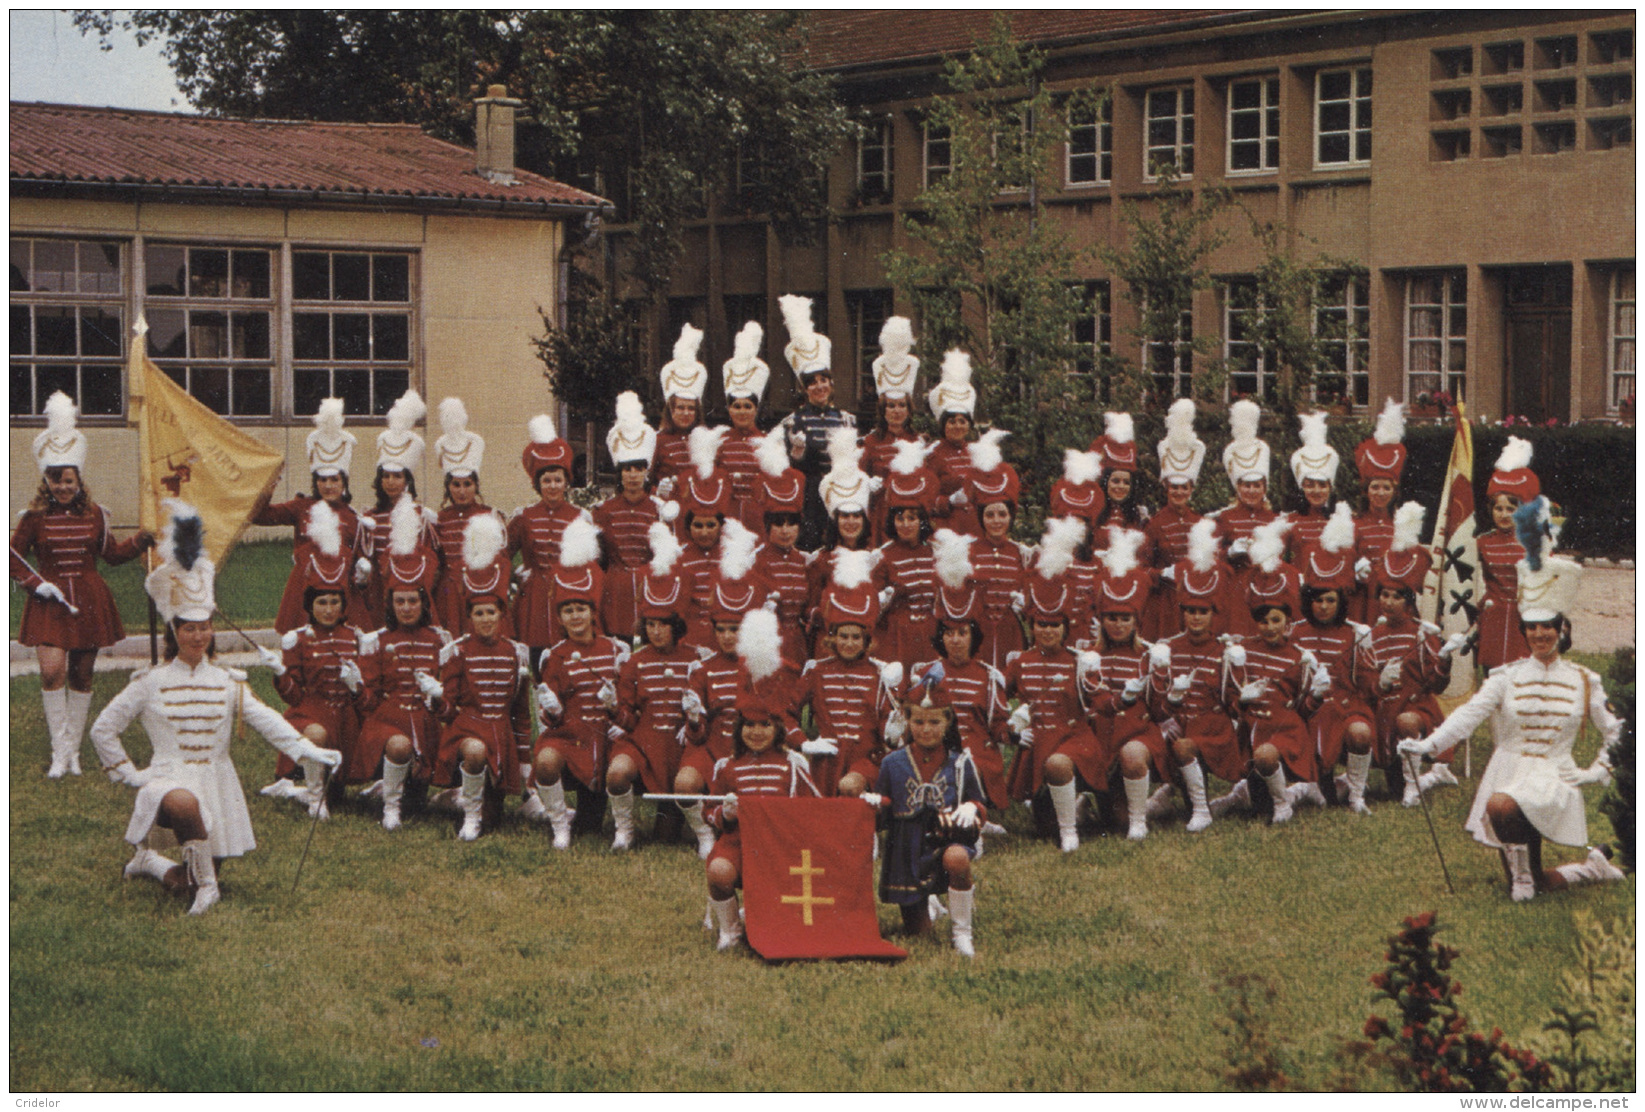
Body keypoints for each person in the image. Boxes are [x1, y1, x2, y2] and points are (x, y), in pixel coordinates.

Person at [90, 501, 341, 915]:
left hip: (217, 780)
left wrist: (309, 751)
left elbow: (267, 722)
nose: (198, 636)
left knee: (180, 882)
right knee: (186, 809)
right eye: (189, 628)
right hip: (169, 778)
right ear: (175, 631)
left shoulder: (227, 682)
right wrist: (129, 774)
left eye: (204, 627)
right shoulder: (151, 681)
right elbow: (103, 728)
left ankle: (151, 862)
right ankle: (209, 889)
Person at [1399, 498, 1627, 902]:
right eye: (1532, 629)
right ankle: (1581, 869)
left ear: (1562, 630)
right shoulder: (1508, 677)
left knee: (1503, 807)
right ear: (1524, 631)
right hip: (1508, 767)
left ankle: (1528, 879)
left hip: (1554, 773)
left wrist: (1597, 772)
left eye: (1548, 629)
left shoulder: (1584, 679)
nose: (1540, 636)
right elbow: (1470, 714)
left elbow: (1619, 733)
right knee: (1526, 858)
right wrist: (1427, 746)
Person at [12, 391, 154, 777]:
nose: (63, 487)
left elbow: (110, 554)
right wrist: (34, 583)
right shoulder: (34, 516)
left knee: (82, 674)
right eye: (56, 480)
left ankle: (73, 753)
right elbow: (12, 556)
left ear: (79, 479)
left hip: (89, 598)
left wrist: (140, 541)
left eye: (69, 480)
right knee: (51, 671)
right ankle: (60, 751)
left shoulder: (95, 514)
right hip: (49, 600)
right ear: (47, 480)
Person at [866, 682, 986, 958]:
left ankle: (962, 932)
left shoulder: (961, 762)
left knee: (957, 859)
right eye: (918, 721)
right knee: (919, 933)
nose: (926, 729)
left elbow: (979, 803)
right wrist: (873, 806)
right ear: (907, 721)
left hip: (945, 838)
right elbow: (884, 808)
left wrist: (971, 807)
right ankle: (928, 905)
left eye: (934, 721)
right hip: (906, 849)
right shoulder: (892, 763)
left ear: (948, 722)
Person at [1364, 502, 1467, 806]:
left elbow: (1436, 685)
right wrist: (1379, 683)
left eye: (1397, 596)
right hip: (1383, 714)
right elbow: (1365, 682)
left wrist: (1445, 660)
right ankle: (1429, 774)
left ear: (1409, 601)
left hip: (1414, 711)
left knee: (1407, 723)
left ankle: (1417, 783)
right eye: (1384, 595)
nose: (1389, 602)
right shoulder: (1371, 634)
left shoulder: (1421, 632)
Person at [258, 531, 365, 821]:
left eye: (334, 602)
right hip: (312, 711)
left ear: (343, 605)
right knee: (316, 735)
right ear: (310, 606)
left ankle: (292, 788)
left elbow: (369, 691)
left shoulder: (356, 638)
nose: (328, 610)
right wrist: (280, 672)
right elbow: (293, 696)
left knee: (342, 792)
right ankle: (315, 799)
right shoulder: (298, 639)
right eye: (321, 603)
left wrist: (357, 686)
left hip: (346, 720)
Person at [702, 693, 821, 951]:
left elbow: (812, 809)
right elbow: (708, 810)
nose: (756, 732)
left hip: (780, 846)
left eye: (765, 725)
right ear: (738, 728)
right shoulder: (728, 767)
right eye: (749, 725)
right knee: (719, 871)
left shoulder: (792, 764)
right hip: (738, 843)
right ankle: (730, 929)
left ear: (779, 728)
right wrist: (726, 813)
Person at [532, 546, 632, 850]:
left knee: (595, 817)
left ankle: (622, 829)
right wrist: (552, 708)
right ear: (560, 619)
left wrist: (618, 712)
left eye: (581, 609)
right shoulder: (555, 656)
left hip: (608, 737)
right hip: (572, 736)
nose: (575, 616)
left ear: (592, 613)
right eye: (568, 611)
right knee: (546, 761)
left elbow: (631, 701)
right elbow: (551, 717)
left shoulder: (616, 650)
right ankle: (560, 825)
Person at [914, 529, 1012, 815]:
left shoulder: (987, 675)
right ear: (940, 638)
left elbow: (998, 726)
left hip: (978, 752)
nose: (955, 640)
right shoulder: (927, 672)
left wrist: (1013, 731)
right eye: (949, 634)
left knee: (967, 766)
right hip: (936, 747)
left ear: (973, 636)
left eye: (962, 633)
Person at [1083, 529, 1172, 841]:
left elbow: (1160, 711)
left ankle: (1139, 820)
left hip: (1136, 733)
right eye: (1111, 617)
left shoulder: (1148, 653)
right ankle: (1093, 801)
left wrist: (1165, 685)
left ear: (1136, 620)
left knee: (1133, 757)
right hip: (1099, 736)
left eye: (1125, 618)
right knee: (1110, 819)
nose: (1118, 624)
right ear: (1102, 620)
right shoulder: (1089, 655)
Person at [254, 396, 370, 631]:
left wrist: (363, 572)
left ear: (344, 482)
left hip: (339, 592)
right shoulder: (301, 508)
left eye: (334, 480)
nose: (328, 486)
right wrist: (269, 484)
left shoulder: (353, 518)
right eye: (322, 480)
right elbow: (260, 516)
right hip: (304, 589)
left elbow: (360, 564)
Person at [1290, 503, 1378, 813]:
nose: (1323, 607)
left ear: (1340, 602)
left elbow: (1368, 687)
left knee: (1360, 732)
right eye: (1317, 601)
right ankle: (1313, 781)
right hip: (1307, 707)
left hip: (1344, 706)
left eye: (1330, 600)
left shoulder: (1356, 633)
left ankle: (1355, 792)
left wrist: (1381, 676)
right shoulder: (1295, 632)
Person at [426, 591, 532, 841]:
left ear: (501, 615)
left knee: (494, 817)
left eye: (491, 613)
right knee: (475, 751)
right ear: (470, 618)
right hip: (467, 730)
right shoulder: (459, 651)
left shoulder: (515, 652)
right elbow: (449, 711)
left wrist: (524, 758)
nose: (486, 619)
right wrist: (437, 698)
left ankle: (456, 798)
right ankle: (470, 817)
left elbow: (520, 712)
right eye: (479, 613)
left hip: (501, 737)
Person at [607, 576, 701, 852]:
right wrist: (614, 709)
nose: (657, 631)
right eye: (650, 625)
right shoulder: (636, 661)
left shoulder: (695, 657)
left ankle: (701, 829)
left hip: (681, 746)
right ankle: (624, 830)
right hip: (644, 744)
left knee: (666, 835)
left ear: (676, 626)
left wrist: (693, 720)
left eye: (663, 625)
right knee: (617, 773)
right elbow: (628, 715)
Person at [353, 570, 451, 832]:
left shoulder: (439, 640)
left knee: (419, 804)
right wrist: (356, 687)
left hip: (426, 723)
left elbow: (451, 691)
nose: (406, 608)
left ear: (424, 603)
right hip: (388, 720)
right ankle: (390, 808)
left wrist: (438, 693)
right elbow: (369, 700)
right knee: (398, 746)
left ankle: (401, 789)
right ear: (390, 605)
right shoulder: (377, 640)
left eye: (413, 601)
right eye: (400, 602)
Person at [799, 553, 901, 799]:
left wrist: (893, 731)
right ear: (832, 638)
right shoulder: (817, 670)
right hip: (827, 757)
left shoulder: (879, 672)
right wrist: (803, 742)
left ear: (866, 641)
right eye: (843, 636)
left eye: (856, 637)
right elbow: (787, 708)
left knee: (849, 788)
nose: (849, 643)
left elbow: (890, 724)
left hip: (866, 759)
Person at [776, 295, 855, 550]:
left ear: (831, 383)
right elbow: (787, 466)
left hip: (839, 490)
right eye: (812, 382)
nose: (819, 386)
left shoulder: (846, 419)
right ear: (805, 388)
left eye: (824, 380)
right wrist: (796, 454)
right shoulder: (792, 421)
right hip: (808, 494)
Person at [509, 412, 587, 655]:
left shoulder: (579, 516)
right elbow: (504, 554)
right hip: (534, 594)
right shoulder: (524, 516)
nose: (552, 486)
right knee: (535, 653)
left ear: (566, 483)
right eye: (547, 481)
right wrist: (515, 578)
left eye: (557, 480)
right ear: (538, 484)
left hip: (568, 590)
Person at [358, 389, 439, 623]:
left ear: (407, 480)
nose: (391, 482)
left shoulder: (422, 517)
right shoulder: (370, 516)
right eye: (386, 476)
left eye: (397, 476)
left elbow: (432, 560)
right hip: (377, 591)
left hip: (409, 593)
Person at [595, 391, 669, 644]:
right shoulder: (605, 511)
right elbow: (600, 556)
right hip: (616, 587)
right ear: (620, 473)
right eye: (627, 469)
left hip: (649, 585)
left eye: (639, 468)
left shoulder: (657, 509)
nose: (633, 475)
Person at [431, 396, 507, 635]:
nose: (462, 491)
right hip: (448, 591)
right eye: (455, 484)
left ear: (476, 485)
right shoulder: (440, 519)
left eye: (467, 484)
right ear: (448, 487)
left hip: (482, 589)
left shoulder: (490, 515)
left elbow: (501, 559)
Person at [1210, 398, 1277, 639]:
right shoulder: (1224, 518)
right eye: (1246, 485)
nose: (1251, 491)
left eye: (1256, 485)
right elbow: (1214, 556)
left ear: (1264, 487)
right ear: (1237, 488)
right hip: (1235, 590)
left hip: (1267, 588)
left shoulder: (1274, 518)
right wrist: (1229, 552)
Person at [874, 440, 941, 674]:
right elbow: (874, 606)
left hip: (930, 633)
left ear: (921, 521)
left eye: (912, 518)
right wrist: (885, 599)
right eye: (900, 518)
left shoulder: (934, 552)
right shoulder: (883, 555)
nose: (905, 524)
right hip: (897, 636)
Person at [965, 429, 1028, 674]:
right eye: (990, 515)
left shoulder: (1020, 553)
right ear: (981, 518)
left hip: (1009, 630)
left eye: (1002, 514)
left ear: (1010, 517)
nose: (996, 520)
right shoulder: (969, 550)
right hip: (979, 629)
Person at [1142, 398, 1206, 640]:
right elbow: (1143, 568)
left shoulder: (1200, 522)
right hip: (1165, 603)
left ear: (1191, 490)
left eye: (1184, 488)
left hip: (1196, 598)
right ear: (1166, 488)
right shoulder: (1155, 524)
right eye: (1174, 488)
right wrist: (1161, 574)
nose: (1179, 492)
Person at [1475, 437, 1539, 672]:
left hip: (1523, 619)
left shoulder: (1533, 543)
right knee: (1492, 674)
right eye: (1498, 508)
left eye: (1511, 509)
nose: (1503, 514)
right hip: (1493, 617)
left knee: (1521, 673)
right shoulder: (1482, 543)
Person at [748, 429, 811, 666]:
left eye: (791, 524)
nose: (785, 531)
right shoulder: (757, 560)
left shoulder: (803, 560)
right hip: (768, 641)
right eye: (778, 524)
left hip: (797, 641)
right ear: (767, 526)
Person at [861, 316, 924, 542]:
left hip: (910, 518)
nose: (896, 411)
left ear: (908, 409)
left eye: (901, 406)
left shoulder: (918, 441)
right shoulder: (871, 442)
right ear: (882, 409)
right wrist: (866, 484)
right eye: (890, 406)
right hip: (880, 517)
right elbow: (857, 477)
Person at [1351, 399, 1407, 624]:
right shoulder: (1356, 524)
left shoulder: (1402, 523)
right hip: (1364, 600)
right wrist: (1355, 570)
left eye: (1387, 487)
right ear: (1366, 491)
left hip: (1395, 601)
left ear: (1395, 491)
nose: (1381, 493)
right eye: (1375, 487)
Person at [718, 321, 775, 535]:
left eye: (747, 406)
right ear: (729, 409)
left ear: (756, 409)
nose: (742, 412)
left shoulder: (766, 442)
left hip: (756, 518)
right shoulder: (719, 441)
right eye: (737, 406)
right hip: (726, 516)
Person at [926, 350, 982, 538]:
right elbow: (924, 500)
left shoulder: (977, 452)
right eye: (951, 421)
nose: (957, 426)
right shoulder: (932, 454)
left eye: (962, 421)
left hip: (977, 528)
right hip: (947, 529)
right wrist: (948, 501)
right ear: (943, 425)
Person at [654, 323, 709, 494]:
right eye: (680, 407)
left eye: (691, 408)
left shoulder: (706, 439)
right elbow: (648, 480)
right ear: (671, 409)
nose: (686, 413)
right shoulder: (658, 440)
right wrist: (657, 491)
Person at [1285, 410, 1343, 559]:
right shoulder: (1289, 522)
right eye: (1310, 485)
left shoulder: (1342, 520)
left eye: (1322, 485)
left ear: (1331, 488)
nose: (1316, 490)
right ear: (1301, 487)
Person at [1090, 412, 1149, 532]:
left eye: (1126, 482)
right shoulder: (1092, 512)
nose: (1121, 486)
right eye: (1116, 481)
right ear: (1106, 482)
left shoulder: (1140, 517)